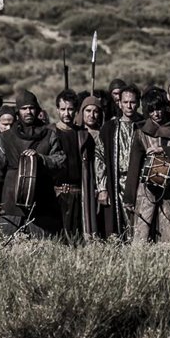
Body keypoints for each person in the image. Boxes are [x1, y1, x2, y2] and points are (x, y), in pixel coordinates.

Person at [0, 90, 65, 237]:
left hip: (42, 203)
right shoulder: (6, 138)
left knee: (42, 246)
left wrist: (41, 159)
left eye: (31, 108)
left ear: (37, 110)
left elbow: (60, 161)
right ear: (18, 111)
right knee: (8, 245)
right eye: (24, 108)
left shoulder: (49, 135)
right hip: (10, 203)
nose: (28, 112)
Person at [124, 87, 170, 243]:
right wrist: (129, 197)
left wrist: (166, 150)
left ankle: (168, 256)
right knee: (142, 229)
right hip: (147, 188)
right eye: (151, 110)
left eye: (159, 109)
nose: (156, 114)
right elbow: (134, 165)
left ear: (165, 107)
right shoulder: (141, 132)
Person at [98, 84, 142, 239]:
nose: (129, 106)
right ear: (119, 103)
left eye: (133, 102)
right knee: (117, 226)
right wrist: (102, 188)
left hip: (140, 183)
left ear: (138, 103)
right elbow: (100, 157)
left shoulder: (144, 126)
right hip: (116, 183)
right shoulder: (109, 128)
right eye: (125, 102)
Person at [52, 89, 86, 243]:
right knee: (57, 239)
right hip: (55, 194)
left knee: (77, 238)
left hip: (77, 193)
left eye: (70, 109)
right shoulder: (50, 133)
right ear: (57, 110)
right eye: (63, 109)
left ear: (76, 110)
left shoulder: (82, 135)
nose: (67, 113)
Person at [76, 96, 107, 241]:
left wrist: (101, 187)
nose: (92, 115)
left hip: (98, 182)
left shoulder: (103, 134)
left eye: (95, 111)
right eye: (88, 111)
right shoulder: (76, 133)